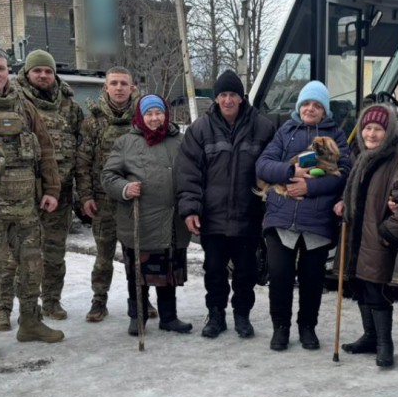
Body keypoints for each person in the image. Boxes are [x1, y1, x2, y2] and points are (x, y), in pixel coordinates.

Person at [0, 47, 64, 360]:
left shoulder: (23, 105)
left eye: (1, 68)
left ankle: (30, 321)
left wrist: (52, 189)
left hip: (26, 203)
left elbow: (47, 149)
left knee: (31, 265)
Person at [176, 71, 275, 339]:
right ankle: (216, 315)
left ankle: (242, 315)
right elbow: (188, 173)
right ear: (216, 98)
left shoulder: (264, 128)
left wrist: (269, 211)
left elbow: (272, 173)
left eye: (233, 95)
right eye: (223, 95)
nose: (228, 100)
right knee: (214, 272)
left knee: (246, 272)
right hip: (213, 217)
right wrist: (190, 209)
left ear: (242, 98)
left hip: (248, 216)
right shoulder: (199, 130)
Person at [255, 81, 351, 351]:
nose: (311, 109)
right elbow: (262, 165)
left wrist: (310, 187)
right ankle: (280, 327)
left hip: (317, 220)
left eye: (317, 105)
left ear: (325, 111)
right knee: (280, 275)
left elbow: (344, 174)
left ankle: (307, 327)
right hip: (282, 216)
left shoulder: (337, 136)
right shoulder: (286, 131)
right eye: (306, 104)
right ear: (299, 107)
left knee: (312, 279)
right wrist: (290, 174)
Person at [0, 49, 83, 329]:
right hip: (22, 194)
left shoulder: (70, 106)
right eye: (37, 71)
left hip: (61, 193)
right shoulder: (12, 101)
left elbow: (81, 151)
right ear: (27, 73)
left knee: (54, 252)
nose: (43, 75)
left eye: (48, 71)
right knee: (13, 255)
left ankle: (52, 301)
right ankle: (2, 307)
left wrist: (81, 193)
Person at [334, 104, 398, 367]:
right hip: (357, 235)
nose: (371, 134)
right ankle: (370, 337)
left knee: (375, 290)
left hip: (377, 238)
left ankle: (385, 344)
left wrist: (388, 234)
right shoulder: (363, 154)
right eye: (367, 128)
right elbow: (359, 190)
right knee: (359, 286)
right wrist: (345, 203)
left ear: (389, 130)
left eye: (378, 129)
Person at [102, 95, 192, 335]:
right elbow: (108, 176)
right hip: (140, 219)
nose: (154, 118)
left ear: (166, 114)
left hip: (171, 220)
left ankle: (169, 317)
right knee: (138, 274)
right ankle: (137, 317)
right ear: (141, 116)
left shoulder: (180, 141)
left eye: (158, 113)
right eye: (149, 114)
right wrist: (124, 188)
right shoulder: (126, 142)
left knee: (168, 273)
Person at [76, 66, 154, 323]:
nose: (119, 88)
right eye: (114, 83)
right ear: (105, 88)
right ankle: (99, 301)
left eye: (124, 83)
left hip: (136, 199)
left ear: (133, 88)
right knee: (104, 255)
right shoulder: (93, 121)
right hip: (103, 200)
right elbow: (83, 162)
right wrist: (86, 196)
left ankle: (143, 300)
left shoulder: (144, 119)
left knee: (138, 253)